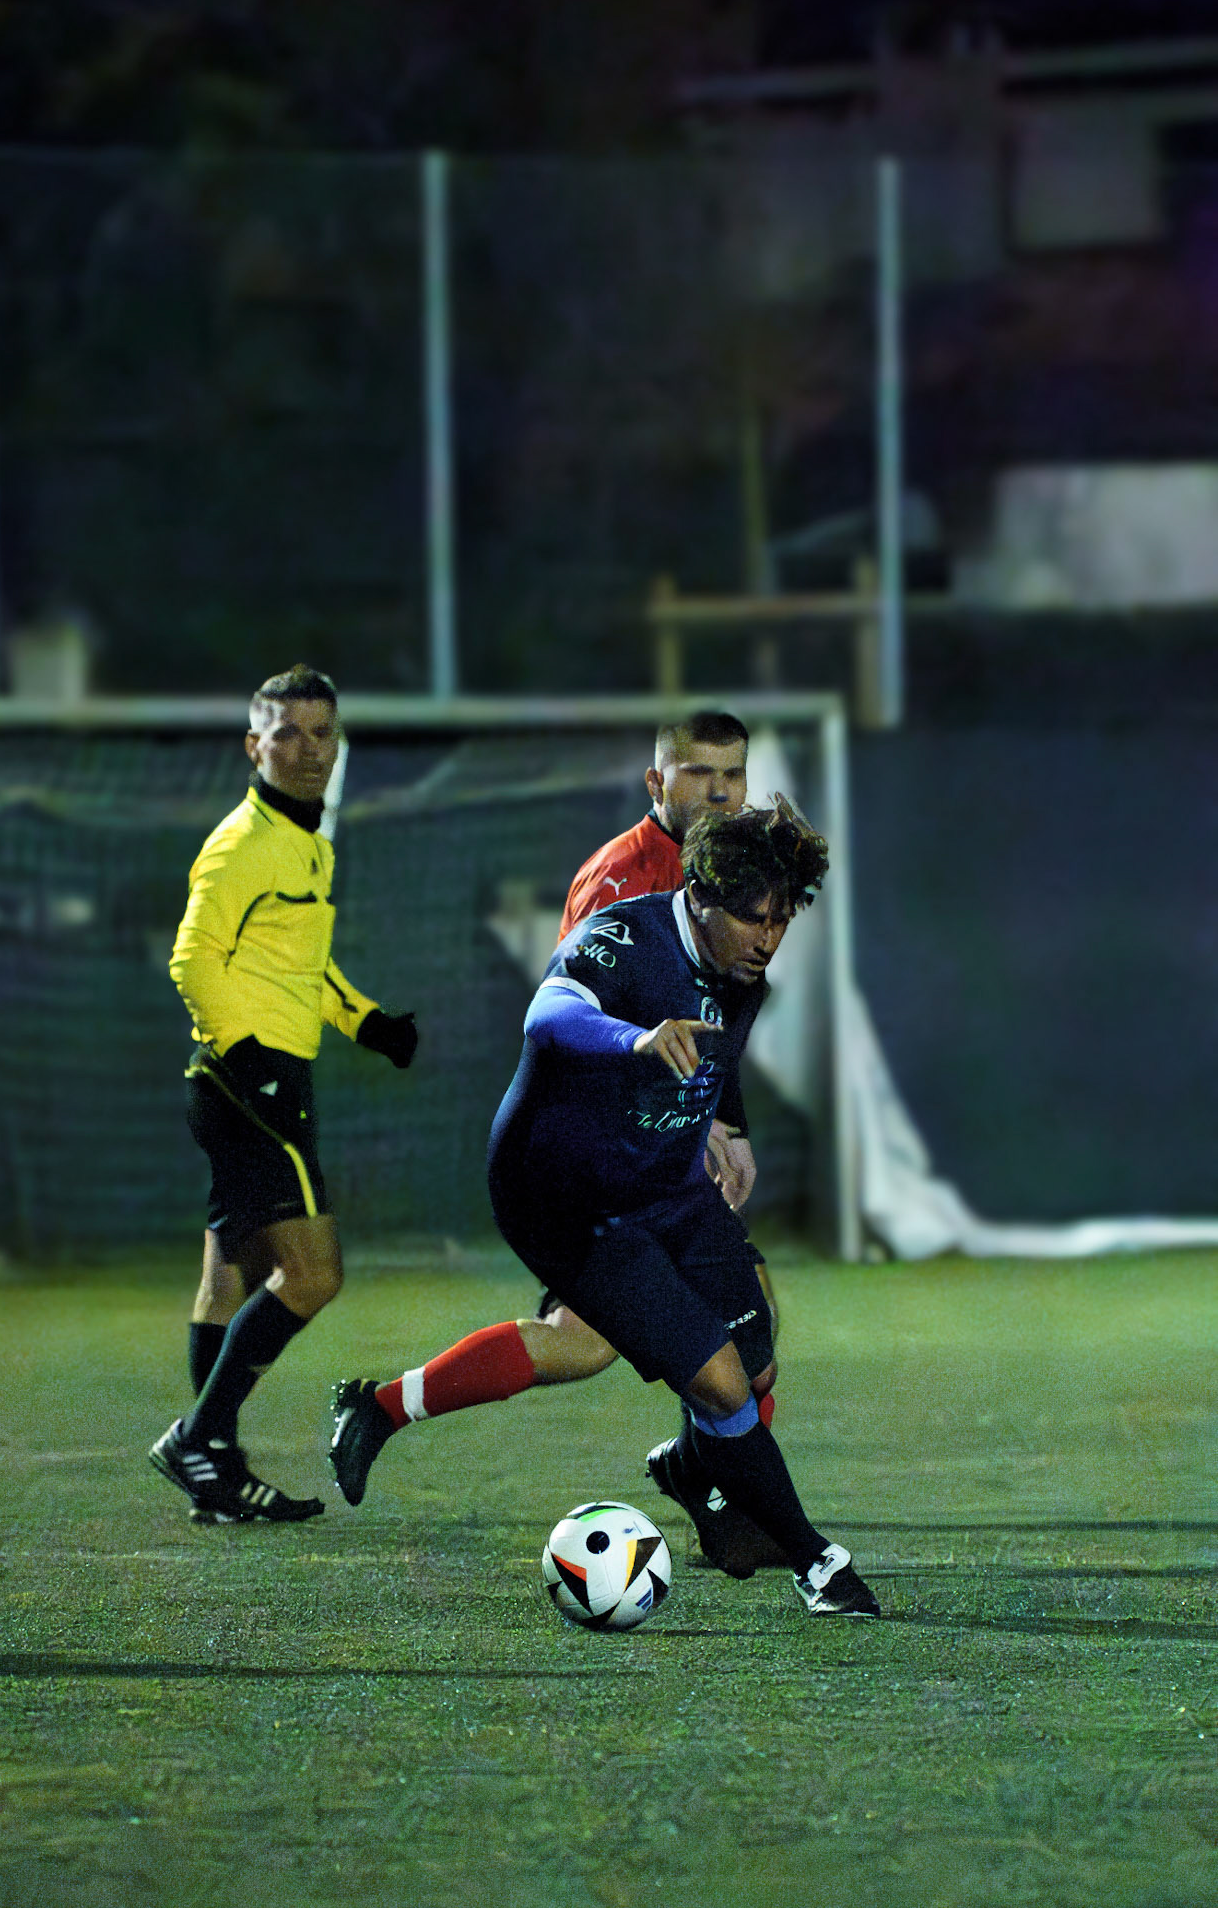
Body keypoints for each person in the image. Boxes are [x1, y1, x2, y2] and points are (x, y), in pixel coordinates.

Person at [331, 803, 880, 1618]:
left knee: (754, 1347)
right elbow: (547, 1014)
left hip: (663, 1181)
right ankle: (815, 1562)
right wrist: (630, 1038)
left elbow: (716, 1045)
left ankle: (699, 1474)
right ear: (698, 896)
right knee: (721, 1385)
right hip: (565, 1198)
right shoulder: (625, 937)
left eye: (780, 918)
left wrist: (726, 1127)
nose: (767, 937)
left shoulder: (743, 968)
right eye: (751, 918)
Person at [149, 664, 418, 1524]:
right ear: (253, 745)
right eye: (289, 733)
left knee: (234, 1269)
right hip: (246, 1082)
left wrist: (365, 1021)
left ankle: (214, 1468)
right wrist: (252, 1060)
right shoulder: (242, 843)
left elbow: (299, 966)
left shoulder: (308, 843)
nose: (308, 750)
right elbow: (192, 960)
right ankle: (200, 1437)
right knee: (313, 1273)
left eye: (323, 733)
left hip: (249, 1076)